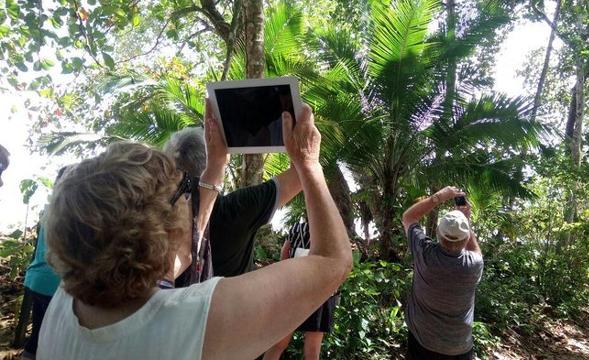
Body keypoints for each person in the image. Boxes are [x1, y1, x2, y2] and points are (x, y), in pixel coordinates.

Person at [38, 102, 353, 359]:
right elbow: (333, 262)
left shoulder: (66, 301)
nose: (187, 201)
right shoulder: (192, 320)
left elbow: (187, 251)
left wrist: (214, 167)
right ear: (160, 231)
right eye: (180, 194)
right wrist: (308, 163)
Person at [163, 125, 301, 285]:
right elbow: (301, 172)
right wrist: (293, 126)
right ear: (221, 162)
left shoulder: (151, 221)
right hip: (235, 307)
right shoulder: (237, 208)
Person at [401, 187, 483, 360]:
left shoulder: (425, 253)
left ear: (438, 233)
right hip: (459, 348)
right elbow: (474, 249)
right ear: (467, 237)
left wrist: (438, 197)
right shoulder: (473, 265)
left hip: (422, 343)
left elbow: (408, 217)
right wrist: (466, 220)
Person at [263, 218, 340, 360]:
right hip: (321, 293)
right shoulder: (334, 229)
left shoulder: (296, 228)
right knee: (312, 350)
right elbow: (340, 262)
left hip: (295, 289)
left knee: (278, 344)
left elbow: (284, 254)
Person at [21, 168, 67, 359]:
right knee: (54, 338)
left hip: (36, 279)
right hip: (54, 284)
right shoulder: (74, 211)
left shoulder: (49, 209)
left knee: (39, 332)